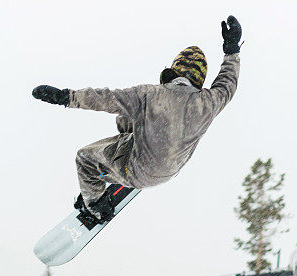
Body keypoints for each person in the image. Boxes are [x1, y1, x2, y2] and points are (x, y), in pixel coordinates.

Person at [32, 15, 242, 222]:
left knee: (85, 159)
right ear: (200, 77)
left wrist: (66, 97)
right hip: (172, 169)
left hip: (138, 170)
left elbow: (106, 98)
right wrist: (232, 48)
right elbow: (227, 83)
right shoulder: (210, 102)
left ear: (175, 68)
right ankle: (117, 169)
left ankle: (95, 206)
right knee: (127, 119)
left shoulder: (148, 95)